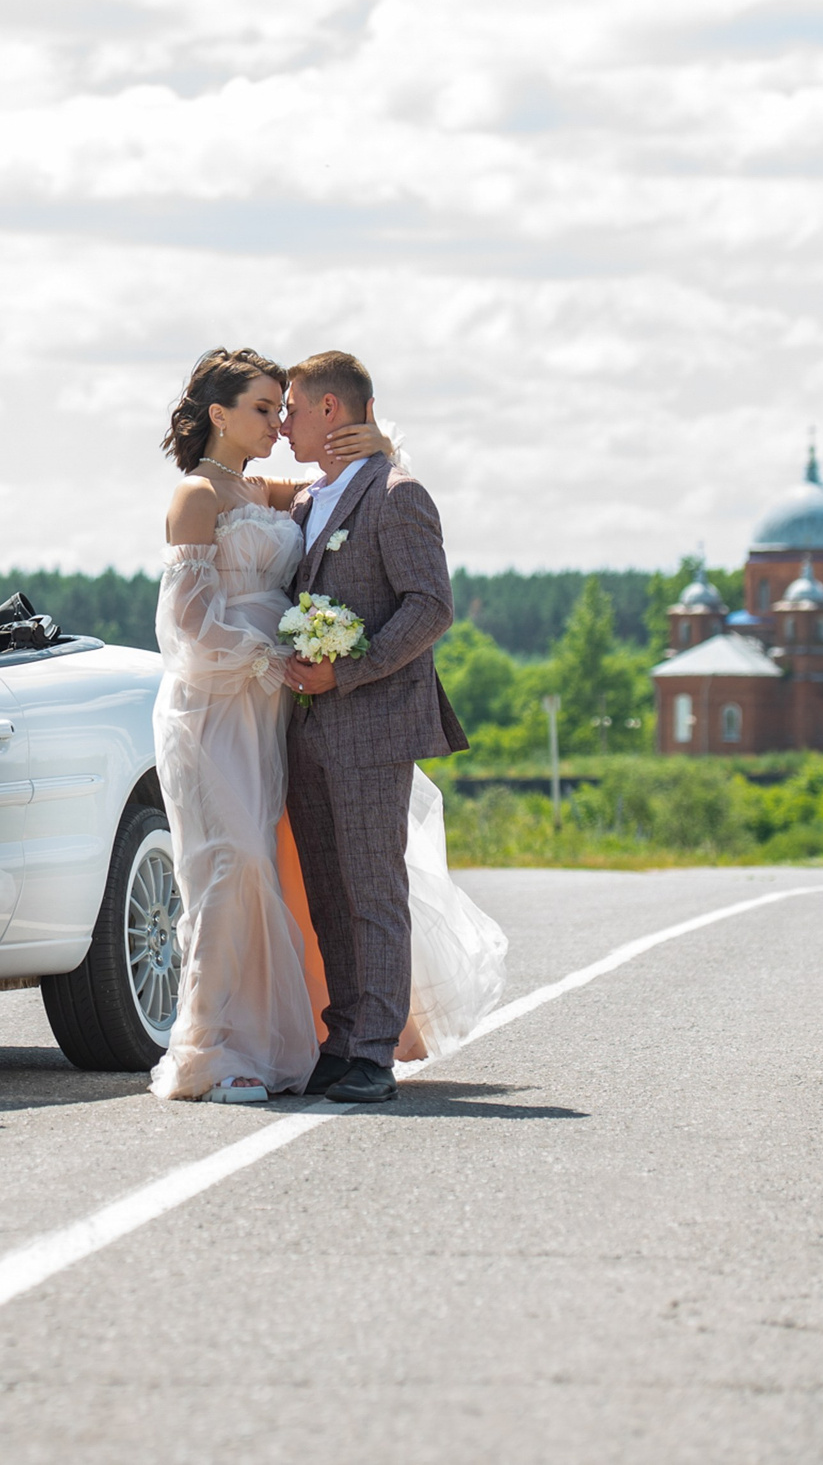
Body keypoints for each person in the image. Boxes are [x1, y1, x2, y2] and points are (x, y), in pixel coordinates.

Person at [147, 349, 388, 1105]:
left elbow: (338, 485)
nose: (278, 421)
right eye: (262, 406)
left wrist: (380, 444)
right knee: (230, 864)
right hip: (211, 708)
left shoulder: (268, 489)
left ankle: (257, 1044)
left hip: (265, 710)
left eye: (283, 405)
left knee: (262, 868)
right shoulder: (195, 496)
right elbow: (187, 626)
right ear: (218, 414)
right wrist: (270, 653)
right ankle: (206, 1051)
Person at [279, 350, 504, 1104]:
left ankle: (375, 1049)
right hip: (307, 729)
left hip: (372, 724)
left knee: (372, 888)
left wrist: (348, 668)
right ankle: (341, 1037)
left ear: (332, 410)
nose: (282, 421)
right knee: (327, 892)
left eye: (293, 408)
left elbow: (430, 604)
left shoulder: (397, 494)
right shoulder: (311, 499)